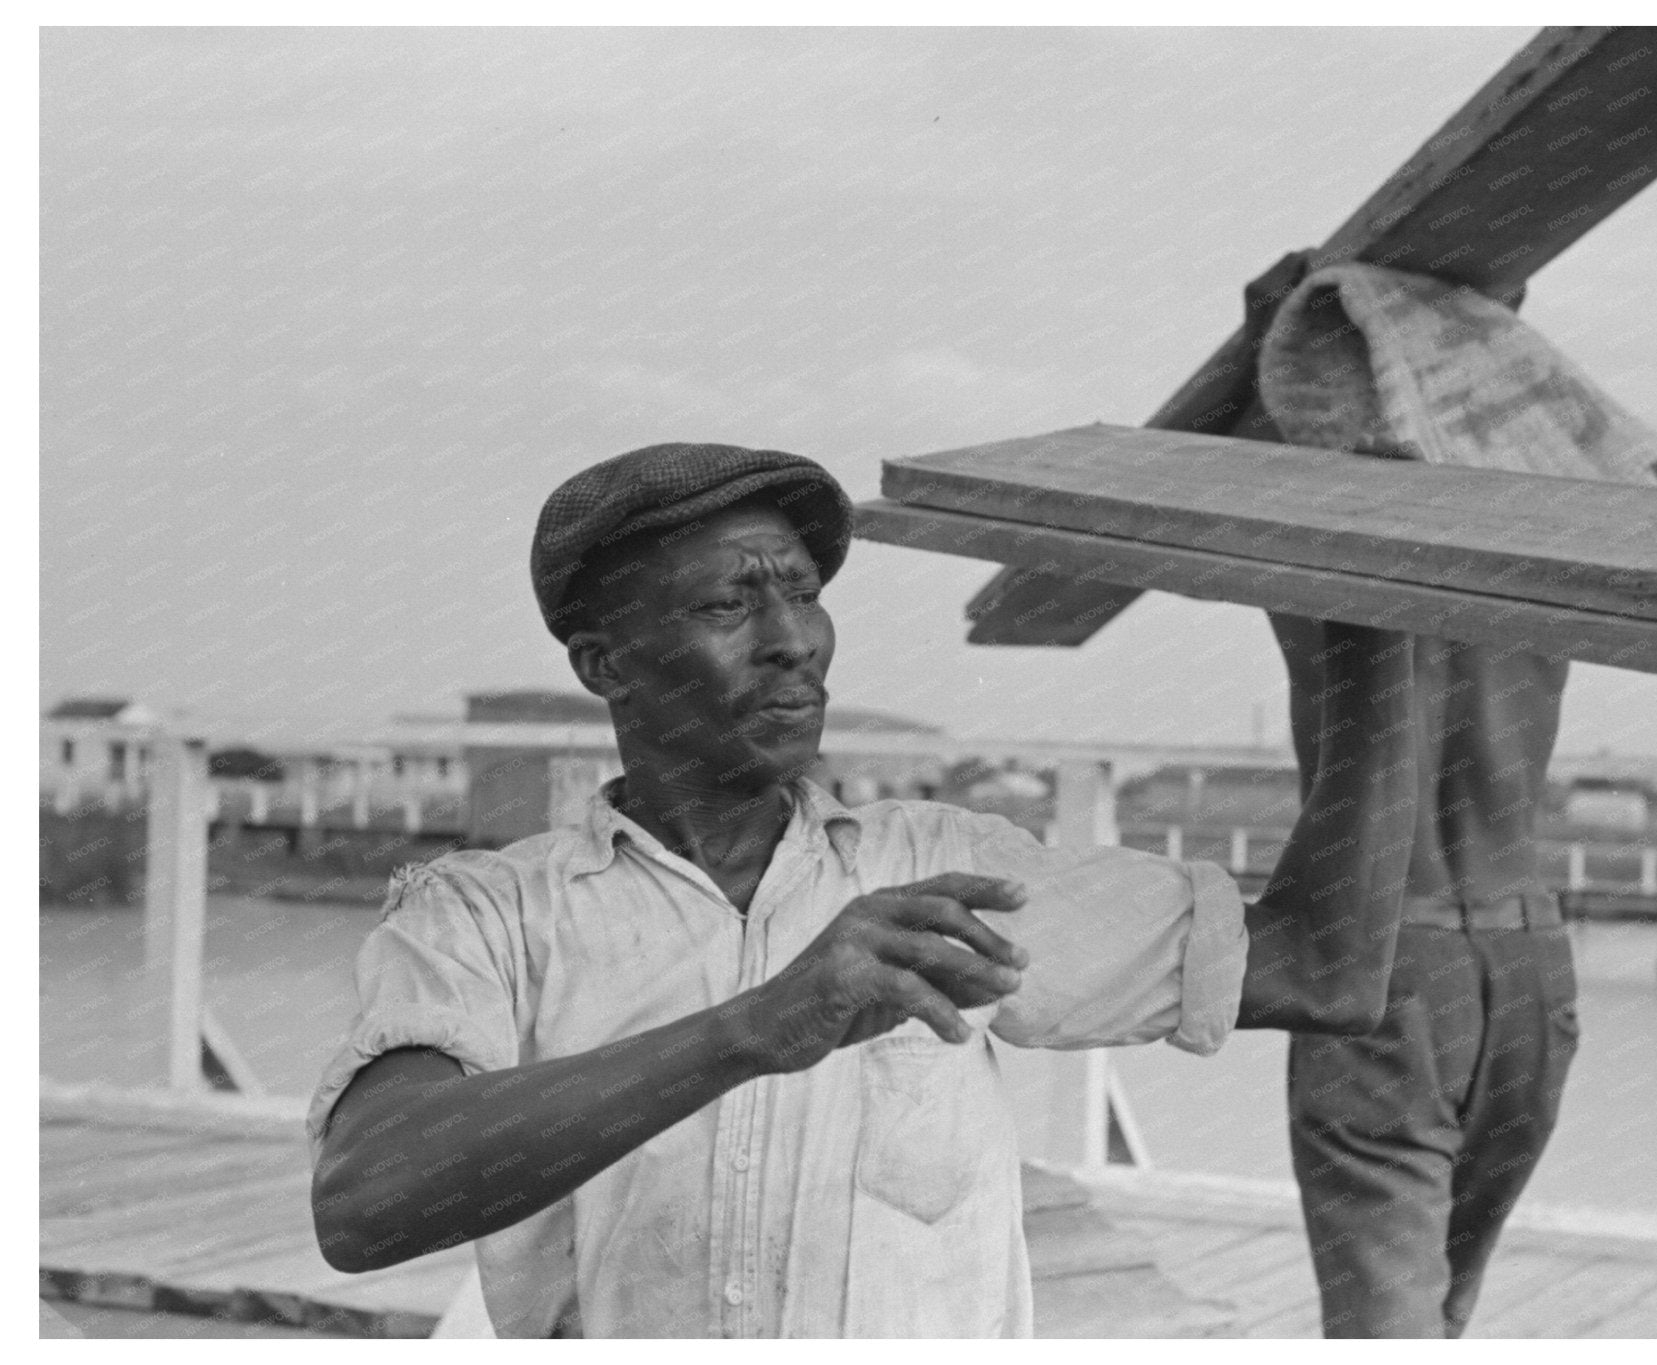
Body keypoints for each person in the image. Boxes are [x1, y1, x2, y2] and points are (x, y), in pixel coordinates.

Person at [308, 442, 1419, 1338]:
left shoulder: (938, 866)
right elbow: (363, 1203)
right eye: (726, 607)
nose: (793, 641)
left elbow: (1322, 967)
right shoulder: (484, 914)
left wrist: (1362, 627)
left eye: (801, 593)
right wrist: (760, 1025)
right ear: (605, 666)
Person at [1238, 251, 1657, 1338]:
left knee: (1387, 1329)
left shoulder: (1316, 546)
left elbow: (1226, 456)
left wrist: (1265, 326)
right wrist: (1477, 324)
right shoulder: (1536, 538)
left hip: (1384, 952)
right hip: (1527, 957)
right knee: (1443, 1313)